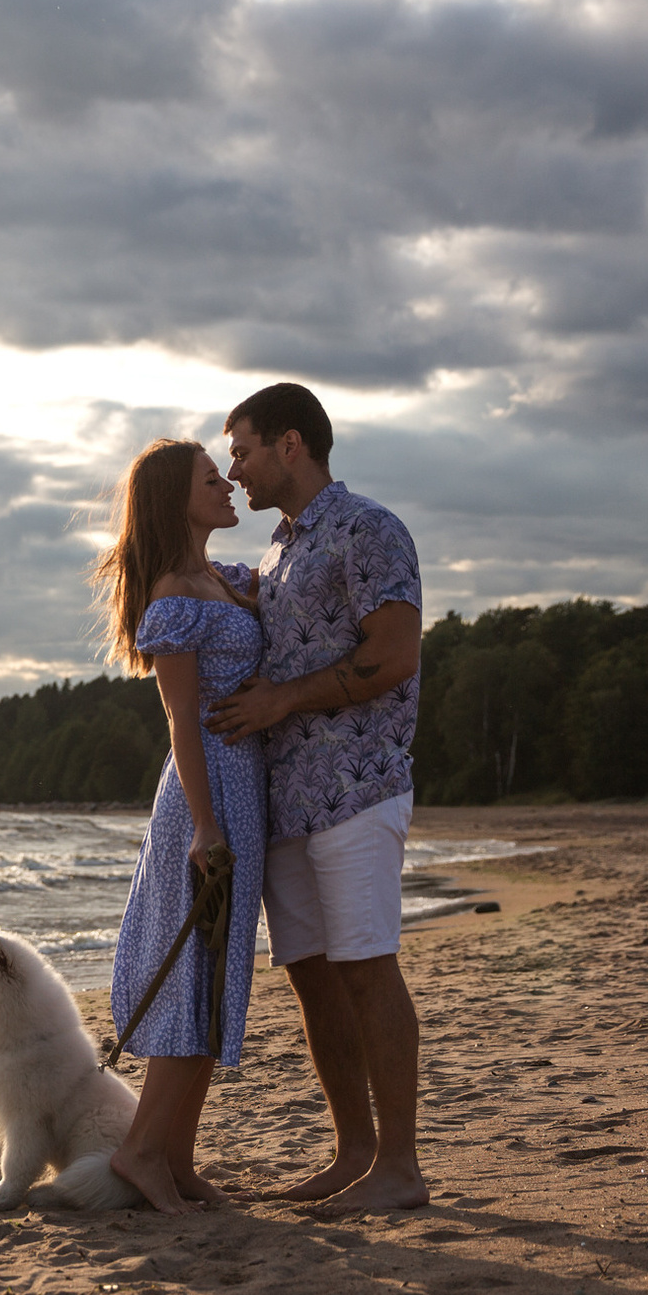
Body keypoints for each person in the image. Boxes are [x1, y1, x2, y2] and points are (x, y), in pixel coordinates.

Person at [207, 383, 429, 1213]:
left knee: (368, 967)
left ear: (290, 443)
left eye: (243, 449)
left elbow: (396, 654)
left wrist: (280, 700)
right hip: (287, 799)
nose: (235, 467)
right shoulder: (277, 550)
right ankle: (355, 1152)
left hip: (358, 784)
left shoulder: (369, 529)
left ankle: (401, 1168)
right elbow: (230, 592)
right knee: (311, 976)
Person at [91, 437, 268, 1214]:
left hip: (241, 791)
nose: (227, 483)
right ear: (177, 498)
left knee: (214, 973)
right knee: (189, 971)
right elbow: (180, 720)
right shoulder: (173, 592)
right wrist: (204, 823)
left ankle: (179, 1159)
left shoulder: (219, 581)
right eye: (210, 478)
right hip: (206, 798)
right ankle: (139, 1153)